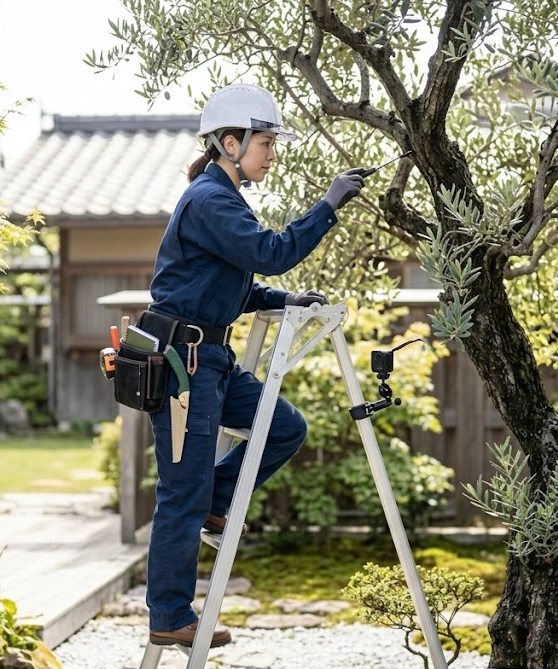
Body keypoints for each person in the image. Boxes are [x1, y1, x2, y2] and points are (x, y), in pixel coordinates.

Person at [136, 83, 364, 648]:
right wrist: (329, 203)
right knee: (179, 491)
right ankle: (169, 616)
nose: (272, 153)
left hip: (211, 357)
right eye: (266, 142)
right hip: (184, 364)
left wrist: (281, 300)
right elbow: (271, 251)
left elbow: (231, 283)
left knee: (285, 427)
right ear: (230, 143)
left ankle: (218, 502)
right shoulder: (210, 199)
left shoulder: (225, 198)